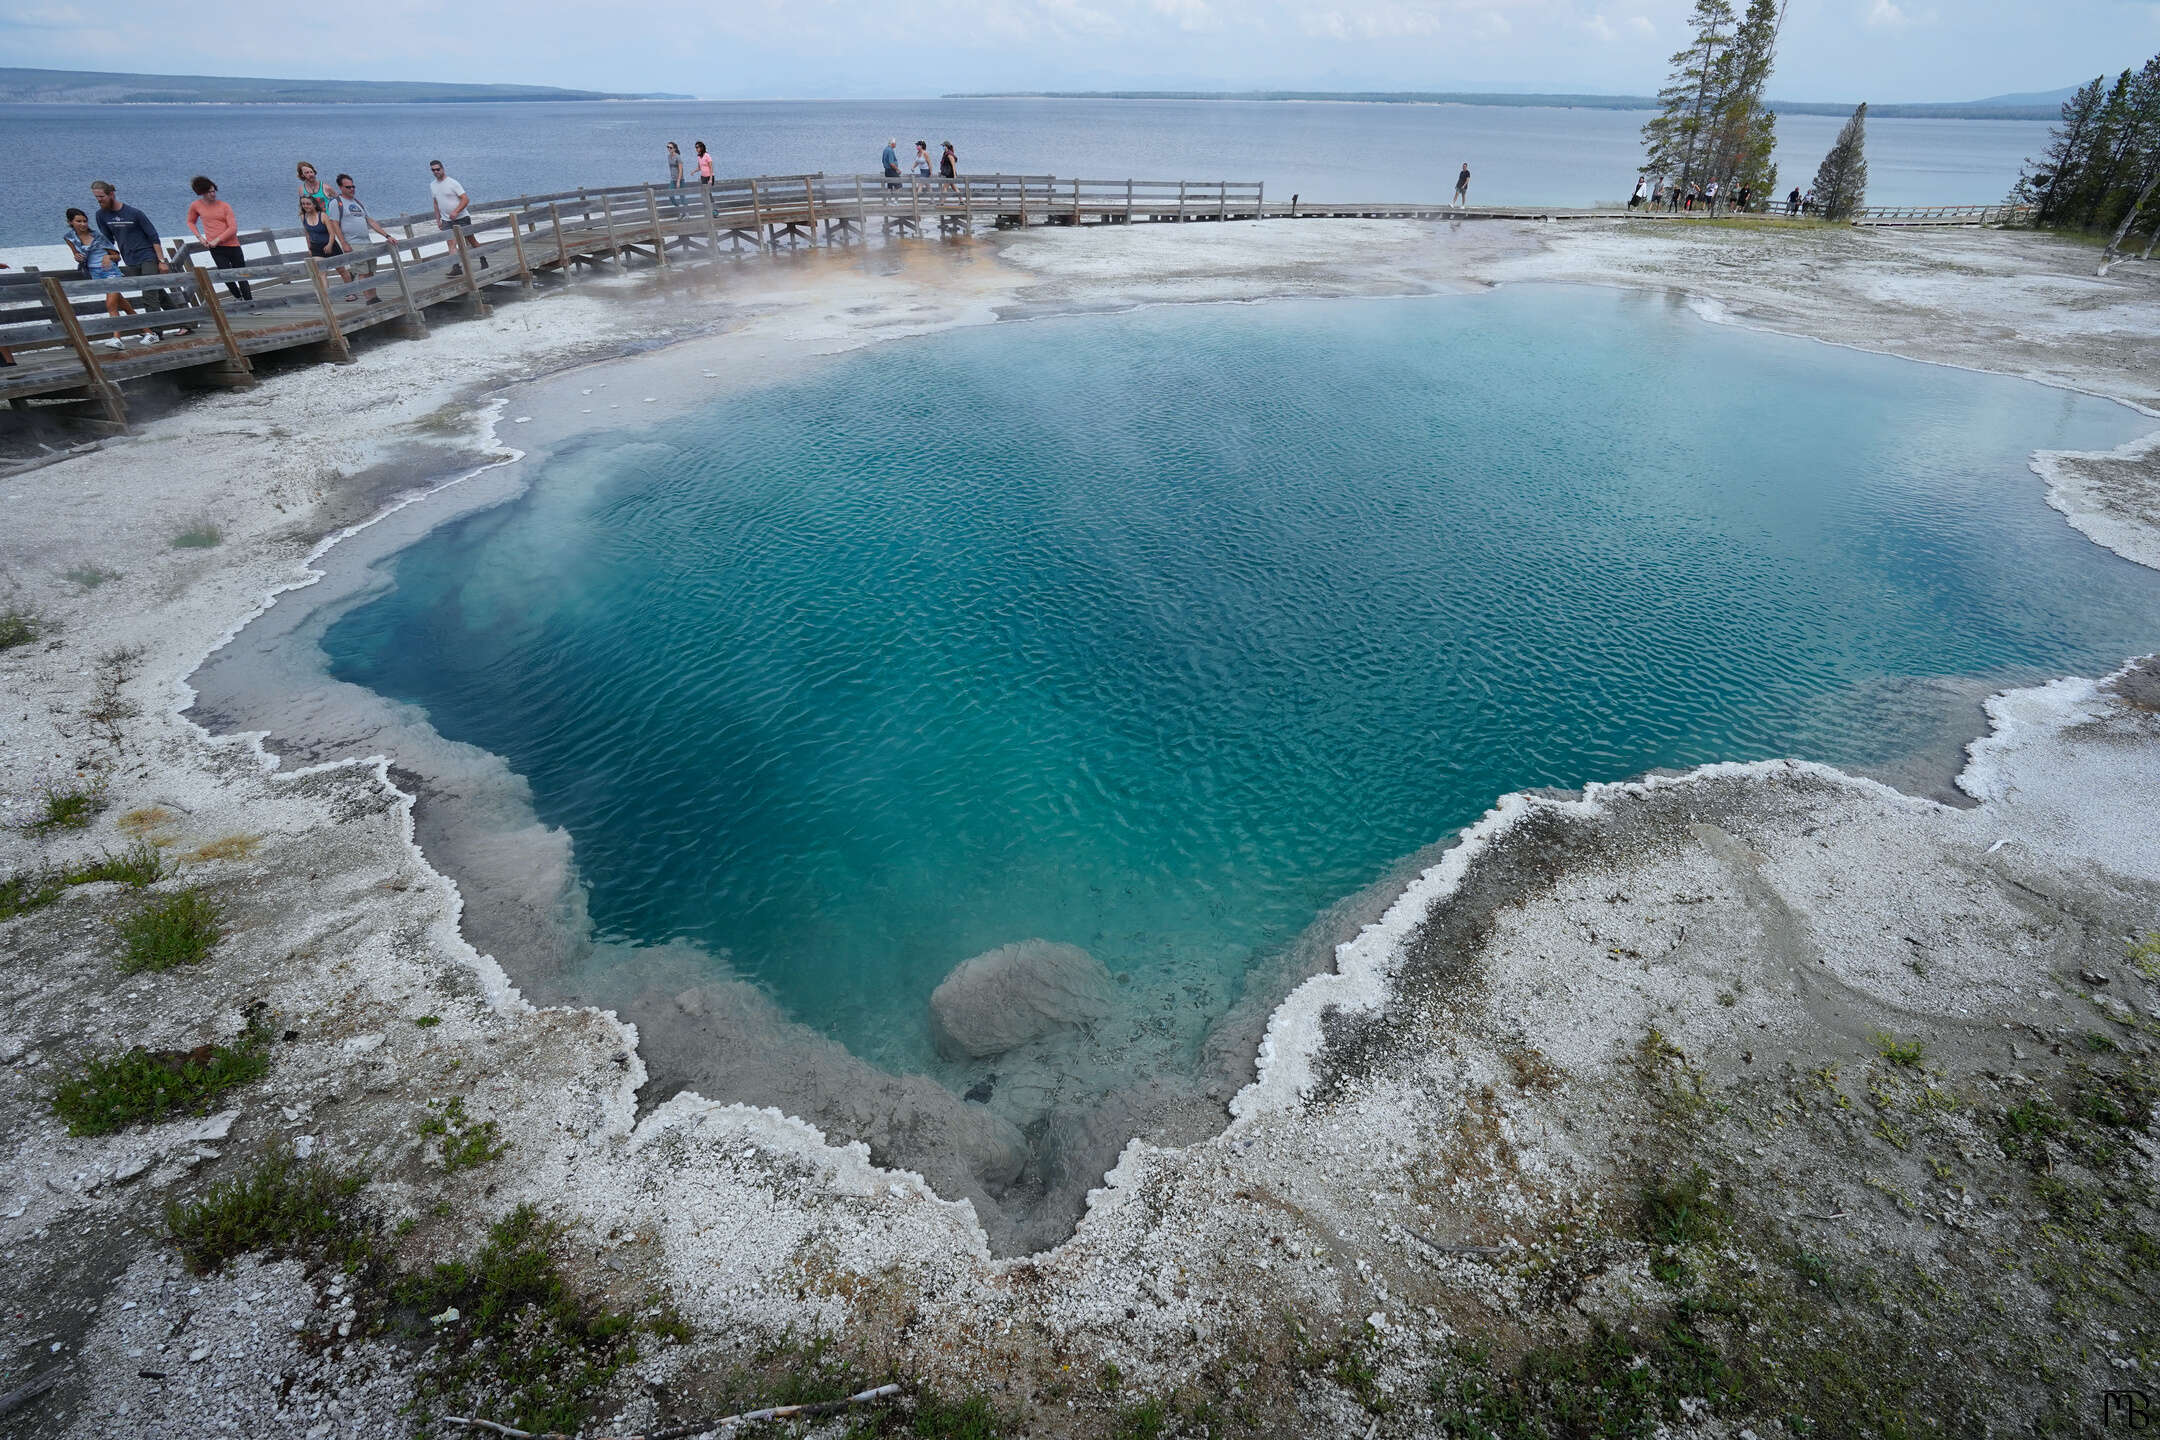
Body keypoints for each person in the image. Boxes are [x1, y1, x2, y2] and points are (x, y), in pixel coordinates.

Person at [90, 180, 178, 325]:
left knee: (148, 293)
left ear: (111, 194)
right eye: (96, 198)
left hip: (148, 256)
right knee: (158, 292)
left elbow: (153, 237)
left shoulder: (134, 213)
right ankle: (186, 323)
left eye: (101, 197)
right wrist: (107, 256)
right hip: (130, 259)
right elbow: (107, 240)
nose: (99, 201)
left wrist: (161, 262)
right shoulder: (101, 215)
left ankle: (156, 331)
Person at [66, 206, 149, 348]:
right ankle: (149, 333)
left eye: (85, 221)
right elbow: (77, 255)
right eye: (78, 221)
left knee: (111, 305)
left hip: (111, 272)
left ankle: (117, 339)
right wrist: (77, 257)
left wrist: (108, 256)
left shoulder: (97, 236)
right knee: (124, 305)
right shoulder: (69, 237)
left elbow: (116, 255)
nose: (83, 224)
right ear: (70, 222)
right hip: (95, 273)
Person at [186, 176, 251, 301]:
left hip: (232, 246)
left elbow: (233, 228)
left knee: (241, 275)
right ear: (201, 193)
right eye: (209, 192)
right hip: (216, 249)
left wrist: (217, 240)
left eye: (214, 191)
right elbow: (190, 222)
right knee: (224, 275)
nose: (213, 194)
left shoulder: (225, 206)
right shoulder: (196, 205)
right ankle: (238, 297)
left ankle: (250, 302)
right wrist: (200, 237)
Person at [332, 173, 390, 305]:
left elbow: (370, 221)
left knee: (370, 271)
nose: (352, 189)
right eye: (348, 187)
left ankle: (374, 297)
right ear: (341, 188)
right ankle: (369, 300)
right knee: (362, 273)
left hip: (367, 242)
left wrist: (387, 235)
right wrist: (343, 243)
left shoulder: (357, 202)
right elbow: (334, 224)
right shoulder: (336, 203)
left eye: (353, 186)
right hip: (353, 243)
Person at [429, 159, 487, 275]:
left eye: (438, 169)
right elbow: (436, 203)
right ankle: (456, 268)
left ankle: (483, 260)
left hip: (462, 218)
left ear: (442, 169)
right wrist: (438, 219)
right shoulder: (432, 185)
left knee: (471, 240)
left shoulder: (452, 183)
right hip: (446, 220)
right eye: (433, 170)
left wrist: (456, 211)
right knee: (451, 244)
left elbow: (465, 199)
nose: (436, 172)